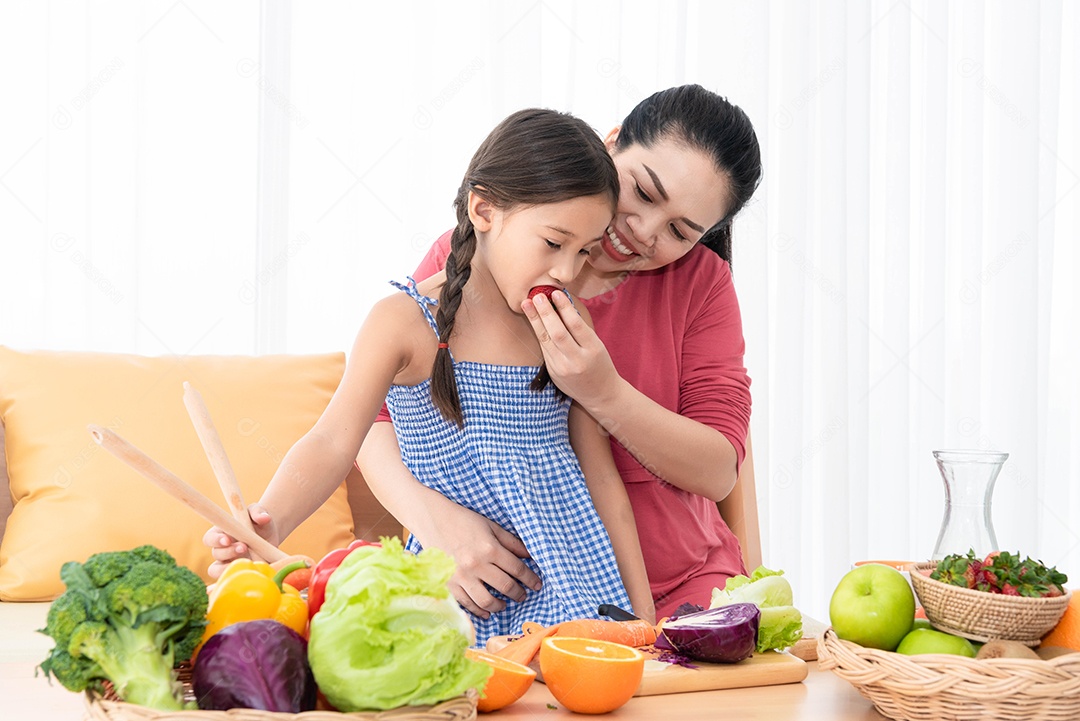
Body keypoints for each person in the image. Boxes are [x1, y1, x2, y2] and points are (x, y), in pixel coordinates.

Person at [211, 85, 762, 622]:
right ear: (612, 144)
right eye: (643, 193)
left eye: (681, 231)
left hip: (620, 587)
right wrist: (277, 522)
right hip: (480, 585)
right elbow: (344, 433)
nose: (642, 232)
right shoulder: (444, 286)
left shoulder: (676, 291)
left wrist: (604, 390)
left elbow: (661, 479)